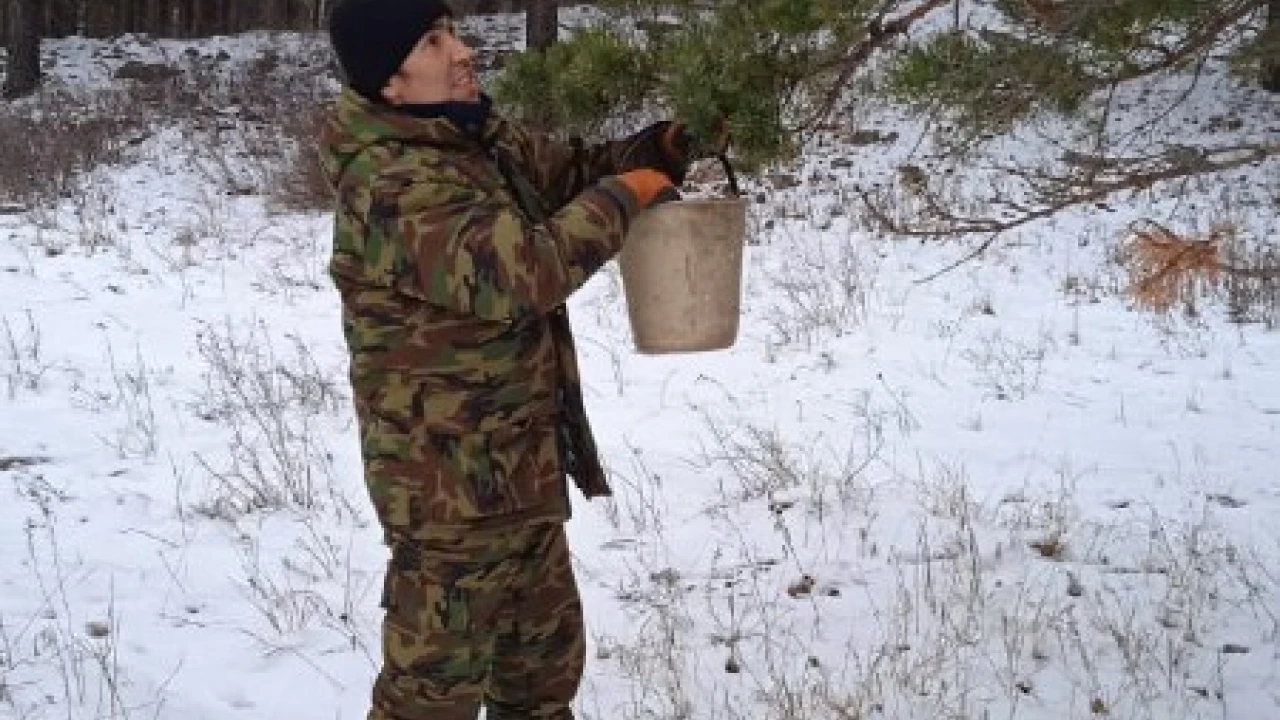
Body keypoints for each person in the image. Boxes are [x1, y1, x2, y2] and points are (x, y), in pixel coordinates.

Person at [321, 1, 717, 718]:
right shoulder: (390, 185)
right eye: (434, 41)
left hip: (524, 479)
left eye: (454, 31)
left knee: (541, 690)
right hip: (448, 504)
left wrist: (660, 148)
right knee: (428, 703)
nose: (464, 51)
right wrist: (625, 197)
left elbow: (575, 174)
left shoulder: (479, 140)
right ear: (390, 83)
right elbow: (521, 272)